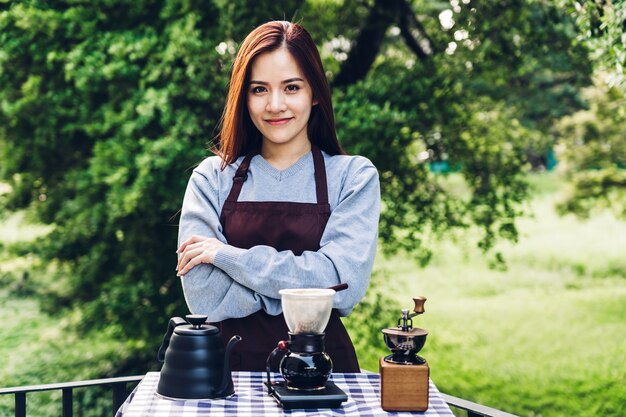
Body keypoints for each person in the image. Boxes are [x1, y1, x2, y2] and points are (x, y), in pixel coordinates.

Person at [175, 21, 380, 372]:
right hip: (229, 376)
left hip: (323, 372)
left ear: (314, 92)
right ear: (244, 96)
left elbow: (342, 286)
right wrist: (306, 289)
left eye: (291, 87)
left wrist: (227, 257)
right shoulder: (212, 178)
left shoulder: (353, 177)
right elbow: (204, 296)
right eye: (259, 89)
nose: (275, 104)